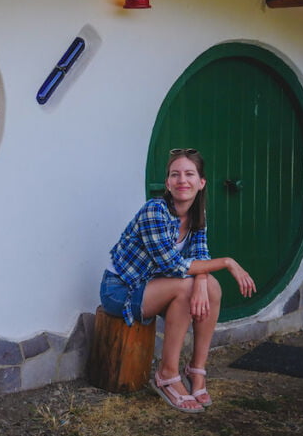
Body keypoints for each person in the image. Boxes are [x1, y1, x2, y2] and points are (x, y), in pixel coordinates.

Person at [99, 148, 257, 413]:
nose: (182, 180)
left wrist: (202, 282)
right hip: (122, 289)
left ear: (201, 182)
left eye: (189, 174)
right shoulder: (155, 211)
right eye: (175, 174)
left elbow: (200, 255)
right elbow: (171, 265)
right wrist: (228, 262)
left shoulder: (197, 215)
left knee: (212, 288)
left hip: (158, 284)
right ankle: (167, 376)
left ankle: (196, 370)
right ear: (168, 183)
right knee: (187, 287)